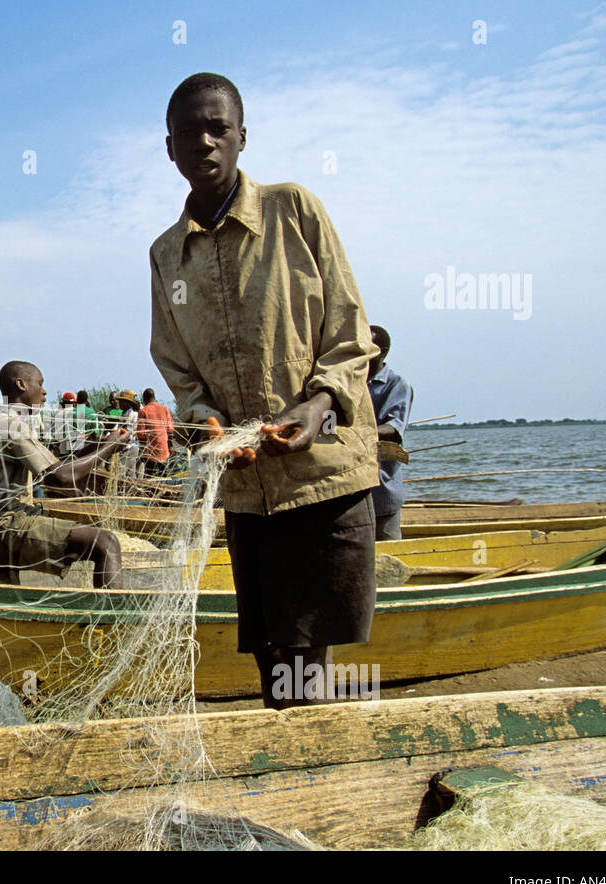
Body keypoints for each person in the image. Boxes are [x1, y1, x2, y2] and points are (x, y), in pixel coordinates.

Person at [150, 73, 380, 710]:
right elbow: (176, 364)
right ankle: (291, 758)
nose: (204, 142)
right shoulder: (167, 255)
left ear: (242, 137)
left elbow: (349, 329)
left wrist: (319, 403)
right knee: (271, 653)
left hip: (322, 473)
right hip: (248, 489)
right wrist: (208, 421)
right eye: (188, 132)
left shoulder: (293, 210)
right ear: (168, 148)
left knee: (315, 654)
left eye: (218, 128)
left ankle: (318, 771)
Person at [0, 361, 129, 589]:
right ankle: (112, 622)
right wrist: (109, 449)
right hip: (1, 529)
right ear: (21, 384)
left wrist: (100, 445)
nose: (44, 391)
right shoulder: (10, 426)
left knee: (94, 534)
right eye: (40, 383)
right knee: (106, 542)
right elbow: (60, 477)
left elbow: (57, 464)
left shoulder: (12, 423)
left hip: (5, 523)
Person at [367, 325, 414, 540]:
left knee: (387, 552)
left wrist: (357, 432)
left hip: (381, 489)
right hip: (354, 490)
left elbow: (393, 429)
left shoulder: (396, 384)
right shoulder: (351, 383)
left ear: (382, 351)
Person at [136, 388, 176, 477]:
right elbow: (170, 430)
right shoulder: (165, 409)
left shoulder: (143, 411)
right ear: (154, 397)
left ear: (144, 398)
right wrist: (171, 446)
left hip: (150, 453)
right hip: (164, 451)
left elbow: (141, 434)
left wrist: (141, 452)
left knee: (150, 479)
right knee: (163, 478)